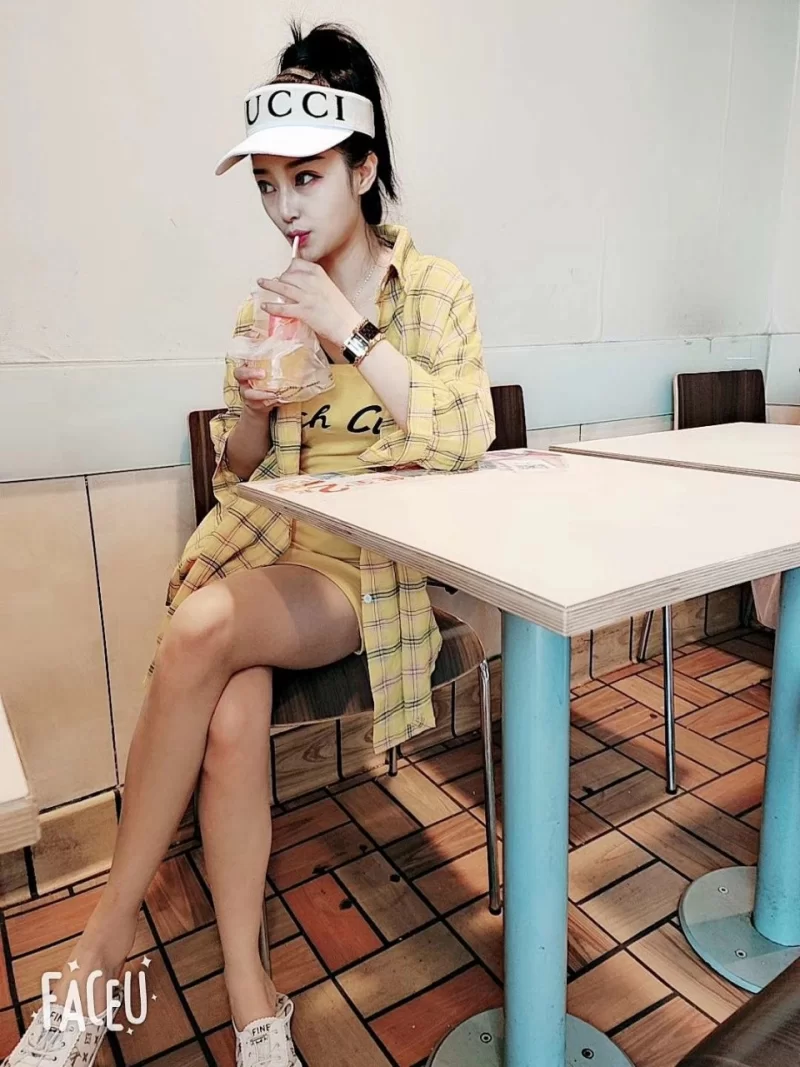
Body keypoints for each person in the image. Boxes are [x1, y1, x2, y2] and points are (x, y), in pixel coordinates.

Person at [3, 21, 494, 1067]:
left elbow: (467, 434)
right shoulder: (265, 303)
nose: (284, 209)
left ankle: (99, 949)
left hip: (367, 569)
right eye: (268, 185)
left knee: (201, 627)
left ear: (364, 169)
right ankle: (251, 996)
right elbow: (238, 472)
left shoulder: (433, 291)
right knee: (229, 715)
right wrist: (260, 412)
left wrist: (349, 328)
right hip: (269, 549)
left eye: (305, 178)